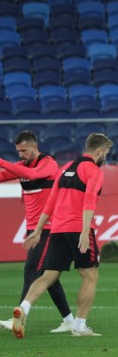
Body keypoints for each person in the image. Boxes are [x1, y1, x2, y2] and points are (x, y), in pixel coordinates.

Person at [9, 133, 113, 339]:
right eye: (106, 153)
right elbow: (89, 200)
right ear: (99, 151)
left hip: (56, 229)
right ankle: (80, 327)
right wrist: (85, 231)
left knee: (48, 276)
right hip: (78, 228)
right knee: (89, 276)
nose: (106, 157)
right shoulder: (93, 170)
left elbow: (51, 202)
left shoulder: (65, 168)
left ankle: (24, 308)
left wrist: (38, 230)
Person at [0, 131, 76, 333]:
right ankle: (69, 321)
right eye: (18, 151)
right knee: (49, 277)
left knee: (32, 269)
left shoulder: (48, 163)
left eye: (24, 150)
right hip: (34, 228)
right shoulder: (22, 167)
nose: (21, 155)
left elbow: (32, 175)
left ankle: (19, 317)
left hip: (49, 228)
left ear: (35, 147)